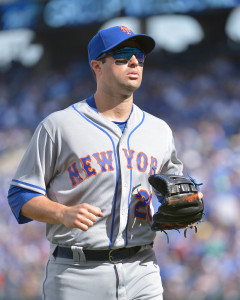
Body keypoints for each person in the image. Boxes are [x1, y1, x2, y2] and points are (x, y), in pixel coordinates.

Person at [8, 25, 183, 300]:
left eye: (139, 55)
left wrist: (178, 205)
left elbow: (175, 190)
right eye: (123, 55)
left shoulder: (159, 130)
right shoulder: (59, 126)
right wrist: (61, 213)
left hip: (143, 270)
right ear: (97, 66)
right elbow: (21, 195)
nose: (135, 61)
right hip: (77, 272)